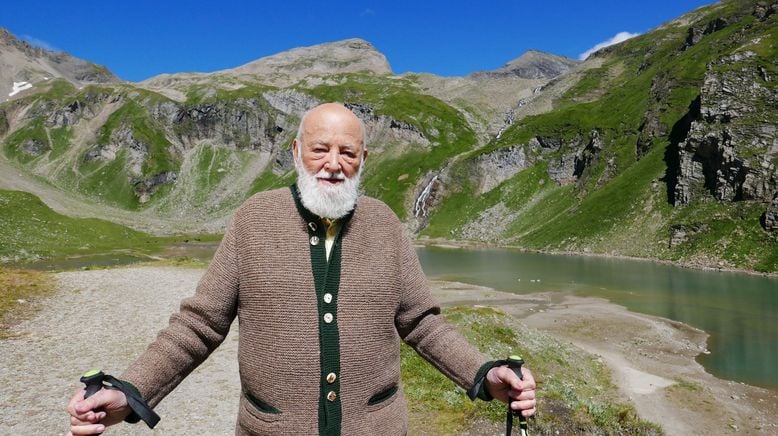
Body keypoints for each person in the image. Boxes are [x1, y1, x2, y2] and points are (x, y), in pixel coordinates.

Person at [66, 102, 536, 435]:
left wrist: (484, 373)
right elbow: (199, 324)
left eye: (347, 153)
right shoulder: (253, 220)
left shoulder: (386, 225)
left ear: (363, 160)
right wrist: (131, 391)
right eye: (320, 149)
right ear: (296, 152)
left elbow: (422, 323)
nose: (333, 164)